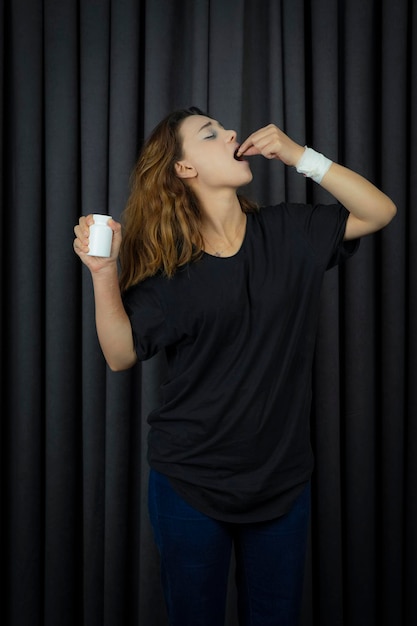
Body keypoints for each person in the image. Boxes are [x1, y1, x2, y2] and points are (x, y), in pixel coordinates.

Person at [73, 106, 396, 626]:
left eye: (226, 129)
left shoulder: (292, 230)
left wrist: (298, 155)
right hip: (190, 483)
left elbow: (380, 212)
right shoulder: (170, 268)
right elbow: (120, 354)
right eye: (211, 134)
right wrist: (103, 272)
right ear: (184, 169)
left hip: (281, 483)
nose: (231, 134)